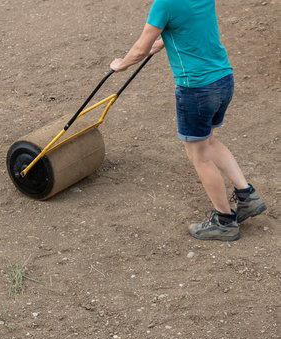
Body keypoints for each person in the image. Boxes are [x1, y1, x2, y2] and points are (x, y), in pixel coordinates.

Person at [110, 0, 266, 241]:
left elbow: (140, 50)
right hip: (223, 79)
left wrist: (120, 65)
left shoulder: (164, 4)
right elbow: (193, 24)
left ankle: (225, 222)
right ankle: (247, 196)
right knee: (210, 142)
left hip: (197, 89)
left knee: (199, 156)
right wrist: (164, 41)